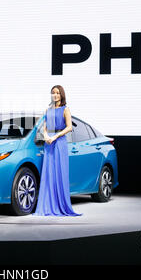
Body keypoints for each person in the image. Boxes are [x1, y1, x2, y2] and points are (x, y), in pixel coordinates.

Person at [32, 85, 82, 216]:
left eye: (58, 93)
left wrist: (55, 136)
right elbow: (44, 128)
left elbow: (69, 127)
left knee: (59, 173)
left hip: (59, 143)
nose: (55, 95)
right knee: (48, 174)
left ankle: (61, 205)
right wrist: (46, 136)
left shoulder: (65, 109)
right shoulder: (47, 110)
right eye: (53, 93)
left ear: (62, 95)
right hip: (48, 144)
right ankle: (47, 206)